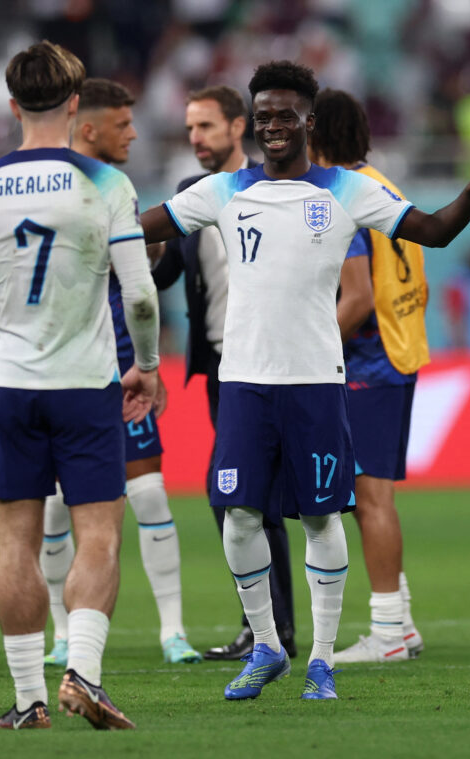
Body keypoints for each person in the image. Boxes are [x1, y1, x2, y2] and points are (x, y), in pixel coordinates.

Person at [139, 60, 470, 700]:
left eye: (284, 115)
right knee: (237, 515)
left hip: (318, 382)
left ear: (309, 121)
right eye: (262, 114)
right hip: (243, 382)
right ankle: (267, 645)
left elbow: (431, 231)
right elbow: (138, 227)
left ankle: (321, 658)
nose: (272, 126)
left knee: (321, 519)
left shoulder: (347, 191)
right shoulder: (221, 190)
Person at [0, 41, 158, 730]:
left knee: (16, 542)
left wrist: (6, 291)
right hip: (85, 382)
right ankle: (84, 677)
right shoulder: (105, 184)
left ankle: (28, 699)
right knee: (99, 535)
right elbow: (143, 297)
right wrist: (148, 365)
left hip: (10, 382)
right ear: (74, 103)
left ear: (10, 106)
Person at [39, 77, 200, 667]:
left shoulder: (117, 189)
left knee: (151, 493)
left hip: (116, 371)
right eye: (122, 124)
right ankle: (61, 636)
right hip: (57, 368)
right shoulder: (56, 187)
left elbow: (142, 283)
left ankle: (172, 632)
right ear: (89, 128)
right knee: (56, 506)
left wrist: (144, 362)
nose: (134, 132)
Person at [151, 84, 297, 661]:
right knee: (236, 497)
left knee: (252, 497)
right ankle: (266, 629)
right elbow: (165, 279)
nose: (195, 139)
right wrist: (143, 256)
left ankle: (273, 631)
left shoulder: (274, 188)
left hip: (276, 361)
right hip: (219, 364)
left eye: (206, 127)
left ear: (239, 127)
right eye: (190, 129)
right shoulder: (192, 195)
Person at [306, 88, 425, 663]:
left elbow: (356, 300)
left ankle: (387, 634)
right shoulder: (384, 183)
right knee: (368, 499)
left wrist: (308, 347)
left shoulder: (341, 196)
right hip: (397, 354)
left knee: (371, 499)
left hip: (367, 365)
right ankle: (399, 620)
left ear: (317, 135)